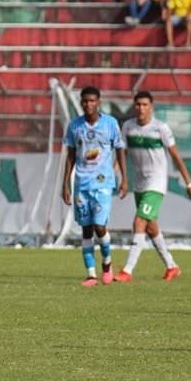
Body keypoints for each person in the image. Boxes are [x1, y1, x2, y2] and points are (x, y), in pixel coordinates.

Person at [115, 91, 191, 283]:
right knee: (151, 228)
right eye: (138, 105)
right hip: (140, 183)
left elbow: (175, 156)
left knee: (139, 221)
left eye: (145, 105)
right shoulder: (128, 127)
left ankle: (127, 270)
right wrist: (119, 177)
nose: (141, 108)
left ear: (151, 107)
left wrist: (189, 183)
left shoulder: (161, 128)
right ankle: (172, 266)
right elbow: (121, 155)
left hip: (156, 183)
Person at [61, 86, 128, 286]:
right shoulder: (75, 126)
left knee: (100, 226)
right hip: (81, 182)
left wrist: (124, 178)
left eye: (92, 101)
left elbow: (120, 149)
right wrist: (65, 183)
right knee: (86, 228)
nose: (88, 104)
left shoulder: (110, 124)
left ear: (98, 102)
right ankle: (91, 274)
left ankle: (107, 263)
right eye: (85, 101)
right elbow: (71, 155)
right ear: (81, 103)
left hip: (103, 182)